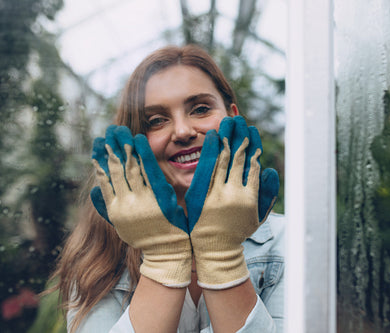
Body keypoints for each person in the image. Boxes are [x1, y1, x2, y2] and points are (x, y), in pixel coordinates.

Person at [48, 44, 285, 333]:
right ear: (134, 140)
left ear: (232, 118)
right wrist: (164, 259)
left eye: (200, 109)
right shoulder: (97, 256)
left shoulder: (288, 243)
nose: (183, 131)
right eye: (156, 121)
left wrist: (221, 253)